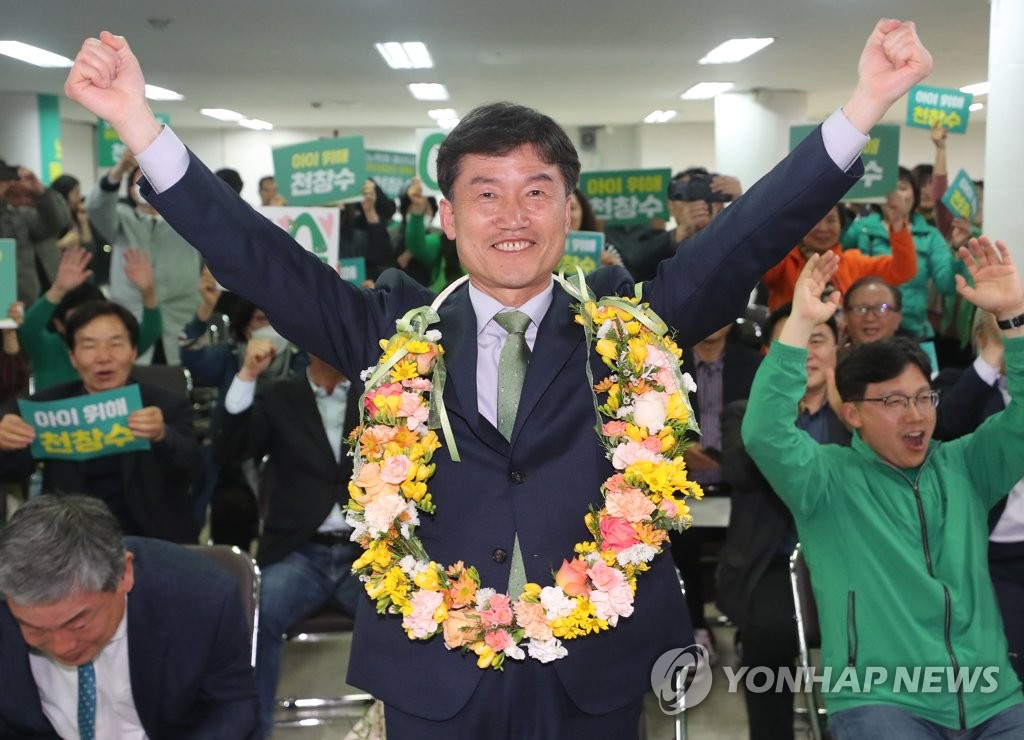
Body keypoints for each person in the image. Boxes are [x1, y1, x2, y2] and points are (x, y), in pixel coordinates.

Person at [64, 20, 933, 739]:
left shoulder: (625, 329)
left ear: (570, 210)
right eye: (486, 194)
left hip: (591, 675)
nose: (512, 218)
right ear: (446, 215)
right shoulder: (386, 330)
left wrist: (863, 108)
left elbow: (748, 232)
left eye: (537, 193)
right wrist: (140, 125)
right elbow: (259, 257)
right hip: (432, 674)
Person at [741, 239, 1024, 738]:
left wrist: (1015, 320)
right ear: (852, 415)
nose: (915, 415)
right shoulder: (825, 480)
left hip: (992, 698)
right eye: (893, 401)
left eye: (923, 398)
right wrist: (803, 325)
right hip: (881, 700)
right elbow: (763, 431)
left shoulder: (967, 466)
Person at [0, 494, 259, 738]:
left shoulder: (199, 597)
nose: (61, 646)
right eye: (35, 629)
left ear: (124, 574)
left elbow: (234, 703)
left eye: (78, 624)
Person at [215, 347, 362, 734]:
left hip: (367, 555)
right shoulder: (279, 395)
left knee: (411, 621)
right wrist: (247, 374)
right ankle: (254, 731)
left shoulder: (377, 392)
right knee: (254, 617)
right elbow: (230, 449)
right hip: (300, 552)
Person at [719, 304, 849, 740]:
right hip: (773, 564)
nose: (808, 353)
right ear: (770, 356)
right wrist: (777, 409)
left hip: (850, 561)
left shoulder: (860, 415)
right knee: (770, 638)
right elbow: (741, 471)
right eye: (794, 343)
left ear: (838, 349)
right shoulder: (744, 414)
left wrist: (849, 415)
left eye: (818, 340)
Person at [0, 300, 200, 542]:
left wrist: (163, 435)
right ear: (72, 357)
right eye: (89, 346)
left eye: (116, 344)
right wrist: (6, 443)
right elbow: (13, 471)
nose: (103, 357)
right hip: (71, 541)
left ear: (133, 351)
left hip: (152, 537)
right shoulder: (46, 407)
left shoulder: (165, 404)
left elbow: (194, 467)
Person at [934, 309, 1024, 684]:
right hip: (991, 555)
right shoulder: (957, 383)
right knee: (1011, 664)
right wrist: (992, 356)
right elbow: (945, 426)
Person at [86, 147, 201, 365]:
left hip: (181, 316)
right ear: (130, 191)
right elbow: (96, 207)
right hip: (133, 315)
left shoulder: (187, 220)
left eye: (153, 180)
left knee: (181, 379)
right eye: (139, 181)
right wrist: (119, 170)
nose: (146, 186)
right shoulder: (121, 219)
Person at [19, 246, 163, 392]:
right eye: (79, 322)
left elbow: (152, 329)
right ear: (58, 324)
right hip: (54, 413)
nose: (103, 357)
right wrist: (58, 289)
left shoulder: (117, 348)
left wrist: (148, 291)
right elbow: (28, 328)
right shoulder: (47, 347)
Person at [762, 204, 917, 312]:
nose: (823, 228)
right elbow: (758, 264)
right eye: (815, 221)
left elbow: (903, 271)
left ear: (842, 225)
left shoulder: (854, 262)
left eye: (831, 220)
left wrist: (897, 225)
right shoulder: (783, 260)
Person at [0, 160, 71, 306]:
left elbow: (56, 223)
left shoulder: (16, 215)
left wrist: (41, 193)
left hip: (31, 296)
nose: (23, 201)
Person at [842, 275, 904, 346]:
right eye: (861, 309)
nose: (870, 318)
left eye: (881, 309)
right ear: (846, 317)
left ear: (898, 318)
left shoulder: (911, 356)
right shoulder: (832, 356)